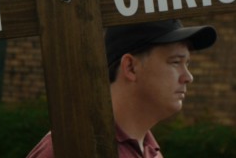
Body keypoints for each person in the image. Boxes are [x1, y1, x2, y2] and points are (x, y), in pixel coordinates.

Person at [26, 19, 217, 158]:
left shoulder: (150, 151)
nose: (188, 77)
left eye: (188, 64)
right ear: (130, 67)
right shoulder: (71, 147)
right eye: (175, 62)